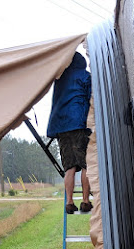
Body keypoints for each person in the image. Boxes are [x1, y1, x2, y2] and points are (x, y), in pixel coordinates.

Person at [47, 52, 92, 214]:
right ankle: (86, 201)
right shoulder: (85, 77)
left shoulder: (59, 79)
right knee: (86, 164)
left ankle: (70, 202)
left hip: (61, 126)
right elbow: (91, 99)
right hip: (79, 124)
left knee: (69, 167)